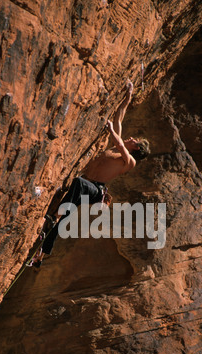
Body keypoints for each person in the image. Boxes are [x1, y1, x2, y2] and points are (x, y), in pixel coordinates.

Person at [32, 81, 150, 268]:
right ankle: (41, 254)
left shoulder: (129, 161)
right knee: (66, 215)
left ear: (136, 147)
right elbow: (119, 118)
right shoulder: (116, 148)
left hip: (95, 189)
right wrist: (128, 97)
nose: (131, 138)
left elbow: (120, 142)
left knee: (76, 184)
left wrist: (111, 131)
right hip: (88, 184)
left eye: (134, 140)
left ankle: (54, 215)